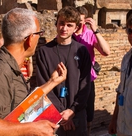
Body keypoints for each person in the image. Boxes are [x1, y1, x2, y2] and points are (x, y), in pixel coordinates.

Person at [0, 8, 67, 136]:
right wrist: (32, 128)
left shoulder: (11, 66)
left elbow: (21, 107)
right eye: (40, 33)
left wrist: (52, 82)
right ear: (30, 39)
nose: (40, 38)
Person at [35, 6, 92, 136]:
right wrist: (62, 114)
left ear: (76, 28)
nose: (64, 28)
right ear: (57, 23)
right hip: (53, 116)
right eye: (61, 23)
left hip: (77, 114)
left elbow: (85, 85)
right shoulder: (45, 51)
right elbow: (43, 84)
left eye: (69, 25)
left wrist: (72, 111)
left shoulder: (82, 51)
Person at [73, 6, 110, 135]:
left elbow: (106, 51)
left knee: (89, 114)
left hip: (87, 80)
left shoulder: (89, 34)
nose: (78, 24)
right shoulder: (68, 34)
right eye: (76, 20)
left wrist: (96, 30)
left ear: (85, 20)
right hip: (71, 80)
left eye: (81, 21)